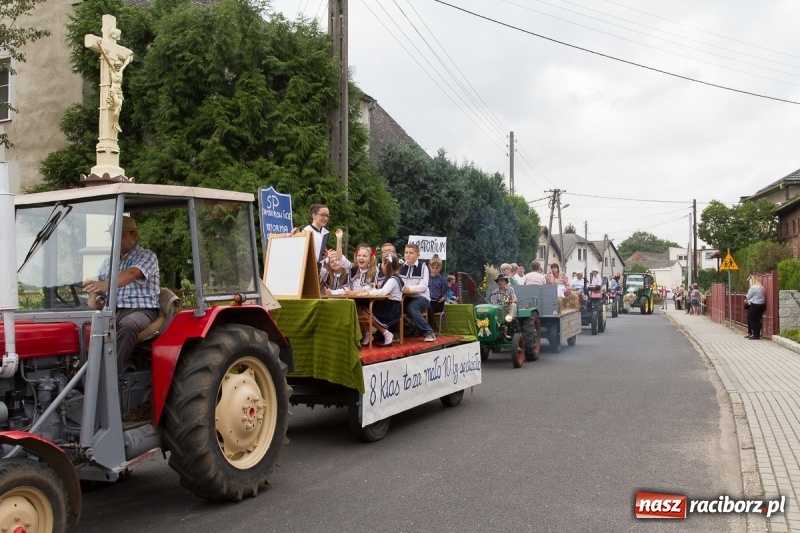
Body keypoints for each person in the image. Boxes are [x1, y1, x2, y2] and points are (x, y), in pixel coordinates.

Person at [83, 216, 159, 372]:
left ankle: (111, 375)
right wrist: (96, 298)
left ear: (134, 235)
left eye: (122, 235)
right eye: (114, 235)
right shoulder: (108, 262)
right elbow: (99, 290)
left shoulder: (147, 256)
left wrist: (103, 284)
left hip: (142, 311)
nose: (116, 239)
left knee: (129, 324)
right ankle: (83, 370)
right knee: (84, 326)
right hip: (114, 311)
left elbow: (131, 274)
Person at [354, 255, 405, 347]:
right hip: (388, 305)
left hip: (391, 308)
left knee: (365, 310)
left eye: (382, 263)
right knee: (360, 306)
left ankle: (386, 333)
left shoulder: (393, 279)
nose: (381, 265)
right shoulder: (391, 278)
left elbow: (383, 292)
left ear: (386, 265)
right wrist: (369, 291)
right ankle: (368, 334)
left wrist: (368, 293)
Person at [399, 243, 436, 342]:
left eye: (411, 253)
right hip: (405, 297)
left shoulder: (423, 267)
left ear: (418, 255)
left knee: (412, 307)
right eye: (406, 252)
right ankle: (394, 332)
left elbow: (423, 287)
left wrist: (409, 289)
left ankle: (428, 332)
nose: (407, 255)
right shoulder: (400, 266)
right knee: (392, 305)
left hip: (421, 297)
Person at [427, 254, 449, 328]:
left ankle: (431, 329)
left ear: (440, 268)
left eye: (437, 268)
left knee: (428, 306)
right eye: (433, 268)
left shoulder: (443, 280)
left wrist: (444, 297)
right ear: (429, 267)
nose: (434, 270)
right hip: (428, 301)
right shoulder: (426, 279)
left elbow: (446, 293)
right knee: (425, 305)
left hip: (438, 303)